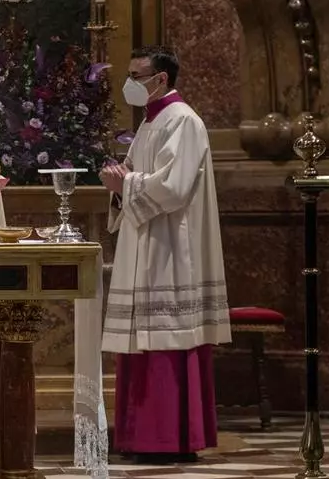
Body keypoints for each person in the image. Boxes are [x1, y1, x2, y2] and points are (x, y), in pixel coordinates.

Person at [98, 45, 230, 463]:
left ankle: (168, 438)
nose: (129, 83)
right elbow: (138, 178)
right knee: (142, 341)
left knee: (166, 341)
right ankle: (139, 437)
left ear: (161, 79)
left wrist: (125, 185)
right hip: (147, 240)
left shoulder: (183, 120)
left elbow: (174, 187)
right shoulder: (150, 121)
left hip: (171, 247)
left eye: (136, 76)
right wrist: (120, 185)